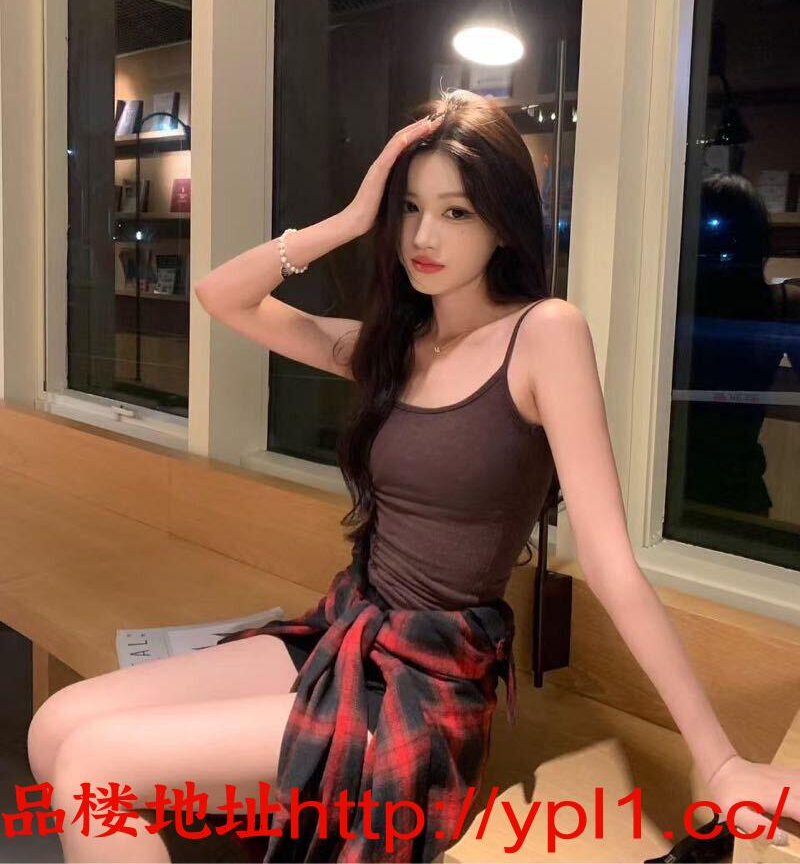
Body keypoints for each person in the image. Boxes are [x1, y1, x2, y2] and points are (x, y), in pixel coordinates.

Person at [27, 91, 796, 863]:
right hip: (345, 631)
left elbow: (612, 566)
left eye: (456, 212)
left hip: (425, 685)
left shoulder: (544, 333)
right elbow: (220, 295)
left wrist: (719, 759)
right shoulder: (393, 347)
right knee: (55, 726)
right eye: (411, 209)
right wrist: (350, 217)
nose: (424, 237)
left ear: (503, 223)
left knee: (94, 762)